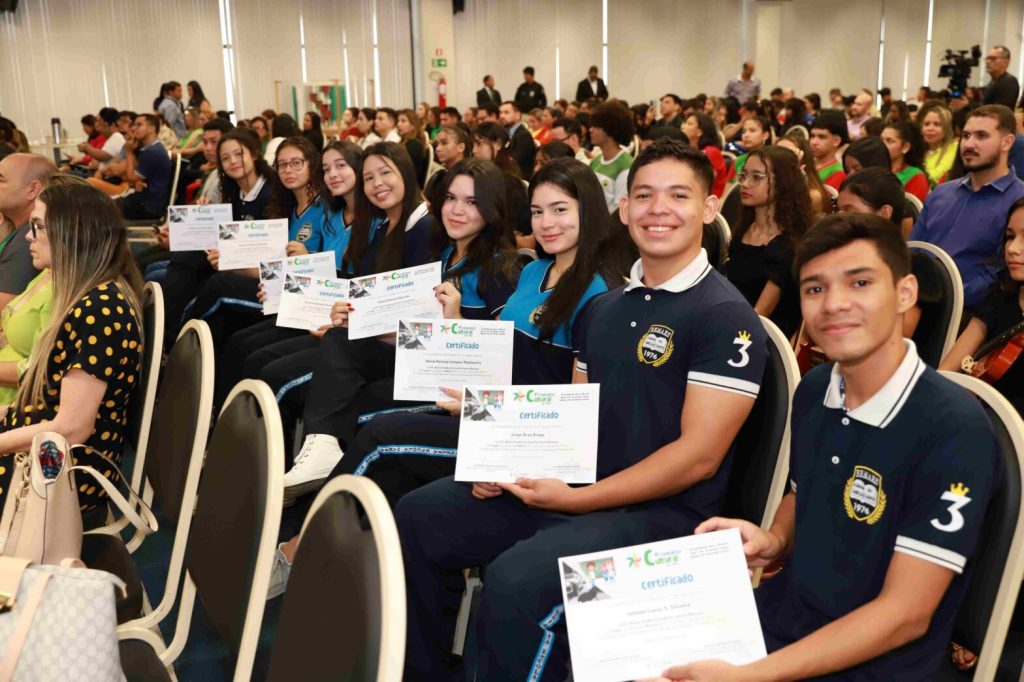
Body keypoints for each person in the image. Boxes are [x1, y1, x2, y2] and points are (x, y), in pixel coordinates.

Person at [396, 140, 767, 681]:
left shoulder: (726, 317)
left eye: (678, 195)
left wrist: (576, 499)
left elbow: (698, 458)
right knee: (420, 516)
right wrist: (505, 459)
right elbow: (574, 415)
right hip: (581, 487)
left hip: (664, 515)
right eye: (645, 195)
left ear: (709, 209)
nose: (658, 209)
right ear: (624, 209)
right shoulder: (606, 308)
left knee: (516, 582)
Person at [658, 213, 1000, 682]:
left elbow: (905, 615)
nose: (834, 304)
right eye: (815, 288)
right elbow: (806, 491)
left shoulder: (955, 429)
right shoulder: (816, 388)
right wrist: (775, 539)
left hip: (873, 664)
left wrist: (751, 676)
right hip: (784, 620)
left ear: (905, 293)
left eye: (860, 283)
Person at [267, 159, 629, 597]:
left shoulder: (600, 294)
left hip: (526, 434)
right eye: (537, 212)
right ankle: (341, 569)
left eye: (560, 210)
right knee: (388, 462)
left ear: (589, 210)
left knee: (380, 439)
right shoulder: (535, 271)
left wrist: (498, 447)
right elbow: (497, 359)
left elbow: (577, 411)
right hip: (488, 410)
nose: (546, 223)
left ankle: (299, 551)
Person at [276, 142, 437, 498]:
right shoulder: (382, 226)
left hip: (407, 352)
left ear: (406, 173)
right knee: (283, 354)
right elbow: (363, 291)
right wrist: (344, 313)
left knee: (297, 371)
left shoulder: (423, 228)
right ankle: (308, 454)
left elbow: (420, 312)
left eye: (385, 173)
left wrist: (358, 323)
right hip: (370, 339)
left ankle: (318, 448)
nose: (377, 184)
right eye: (369, 177)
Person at [0, 180, 145, 522]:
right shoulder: (93, 296)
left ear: (72, 233)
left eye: (37, 226)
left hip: (62, 474)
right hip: (49, 458)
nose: (28, 236)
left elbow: (71, 429)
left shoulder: (101, 310)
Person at [221, 140, 362, 413]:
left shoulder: (336, 212)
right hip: (313, 305)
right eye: (282, 165)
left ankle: (251, 432)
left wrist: (303, 263)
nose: (288, 170)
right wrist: (275, 284)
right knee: (241, 343)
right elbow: (318, 270)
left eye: (296, 163)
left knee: (259, 361)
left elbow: (331, 271)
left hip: (336, 318)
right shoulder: (331, 215)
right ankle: (222, 414)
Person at [911, 105, 1024, 308]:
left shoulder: (1019, 201)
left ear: (1006, 142)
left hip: (970, 310)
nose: (969, 144)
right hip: (916, 298)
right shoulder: (941, 193)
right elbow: (914, 250)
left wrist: (944, 300)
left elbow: (999, 276)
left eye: (982, 136)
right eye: (966, 135)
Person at [941, 198, 1024, 413]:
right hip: (982, 420)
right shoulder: (998, 298)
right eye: (1010, 237)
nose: (1012, 248)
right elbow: (946, 373)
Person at [724, 146, 811, 338]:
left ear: (782, 184)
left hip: (758, 338)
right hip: (730, 322)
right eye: (744, 175)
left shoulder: (787, 245)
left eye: (757, 177)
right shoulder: (744, 229)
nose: (745, 184)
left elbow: (760, 314)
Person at [0, 154, 55, 313]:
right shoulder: (20, 230)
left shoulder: (29, 239)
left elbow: (2, 311)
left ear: (32, 190)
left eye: (1, 180)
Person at [116, 113, 172, 221]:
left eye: (139, 125)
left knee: (105, 208)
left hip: (148, 206)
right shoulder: (150, 149)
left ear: (151, 128)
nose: (134, 128)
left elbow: (130, 178)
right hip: (145, 200)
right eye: (134, 125)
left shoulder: (152, 152)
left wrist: (129, 152)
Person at [588, 103, 635, 212]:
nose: (590, 130)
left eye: (596, 126)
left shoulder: (626, 166)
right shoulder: (595, 161)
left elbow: (618, 211)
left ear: (610, 129)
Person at [777, 132, 830, 217]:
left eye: (786, 154)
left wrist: (792, 170)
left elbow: (786, 213)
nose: (779, 159)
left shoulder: (813, 195)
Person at [882, 119, 930, 201]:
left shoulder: (916, 176)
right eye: (881, 139)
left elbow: (910, 207)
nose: (882, 144)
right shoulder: (875, 169)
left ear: (905, 147)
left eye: (889, 141)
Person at [425, 125, 472, 206]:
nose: (438, 149)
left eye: (444, 143)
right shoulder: (441, 175)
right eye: (437, 144)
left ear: (461, 147)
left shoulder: (469, 178)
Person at [682, 112, 726, 197]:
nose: (684, 126)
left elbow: (703, 181)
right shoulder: (688, 150)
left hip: (709, 199)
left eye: (689, 124)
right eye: (685, 123)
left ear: (699, 132)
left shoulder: (711, 152)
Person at [918, 100, 959, 186]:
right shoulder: (918, 149)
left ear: (947, 128)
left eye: (937, 124)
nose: (930, 128)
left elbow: (935, 177)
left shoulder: (954, 147)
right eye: (926, 124)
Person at [809, 111, 850, 190]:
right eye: (812, 136)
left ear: (836, 141)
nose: (813, 142)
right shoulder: (806, 163)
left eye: (822, 137)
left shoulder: (838, 172)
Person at [500, 101, 537, 180]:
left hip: (521, 178)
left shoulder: (523, 136)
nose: (502, 116)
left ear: (517, 115)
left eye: (506, 113)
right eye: (501, 113)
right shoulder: (505, 133)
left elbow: (514, 163)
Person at [396, 109, 428, 188]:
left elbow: (410, 171)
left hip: (410, 185)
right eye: (398, 121)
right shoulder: (403, 142)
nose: (398, 124)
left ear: (413, 125)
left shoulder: (416, 145)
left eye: (403, 121)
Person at [982, 46, 1020, 110]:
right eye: (987, 58)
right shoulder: (993, 82)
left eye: (993, 59)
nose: (988, 62)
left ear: (1006, 62)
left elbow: (999, 111)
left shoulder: (1009, 82)